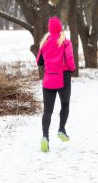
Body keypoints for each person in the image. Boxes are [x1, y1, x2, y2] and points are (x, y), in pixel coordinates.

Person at [36, 17, 76, 153]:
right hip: (63, 77)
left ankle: (45, 137)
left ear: (49, 28)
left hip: (48, 78)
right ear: (61, 28)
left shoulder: (44, 43)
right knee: (65, 104)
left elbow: (39, 62)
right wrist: (72, 69)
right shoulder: (65, 42)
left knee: (47, 110)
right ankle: (61, 129)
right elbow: (70, 60)